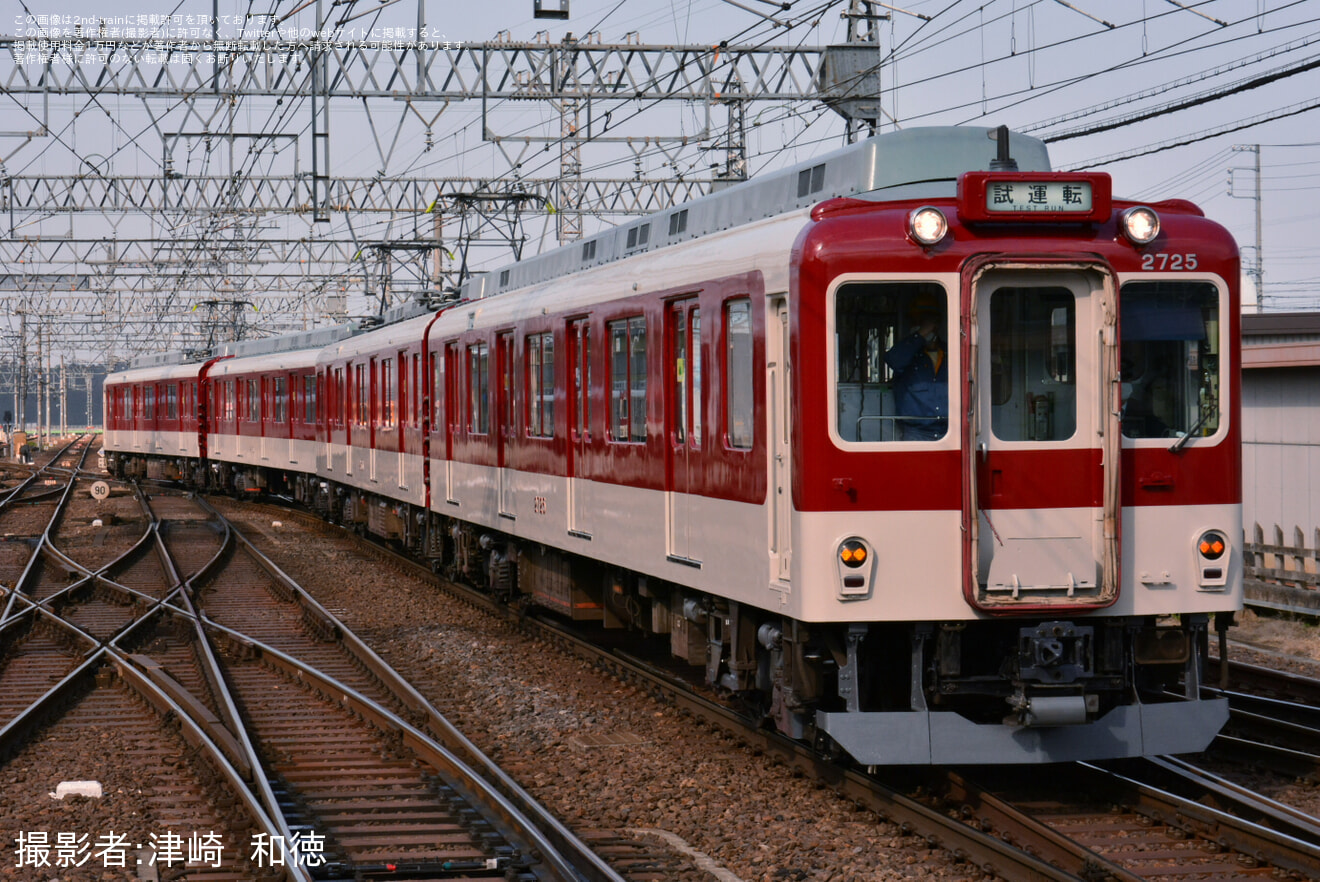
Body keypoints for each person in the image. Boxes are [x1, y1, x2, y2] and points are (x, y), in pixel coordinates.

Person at [884, 298, 948, 441]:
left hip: (949, 432)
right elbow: (893, 360)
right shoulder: (907, 352)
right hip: (915, 433)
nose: (919, 325)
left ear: (937, 323)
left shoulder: (951, 352)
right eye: (916, 321)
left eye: (925, 321)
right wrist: (919, 336)